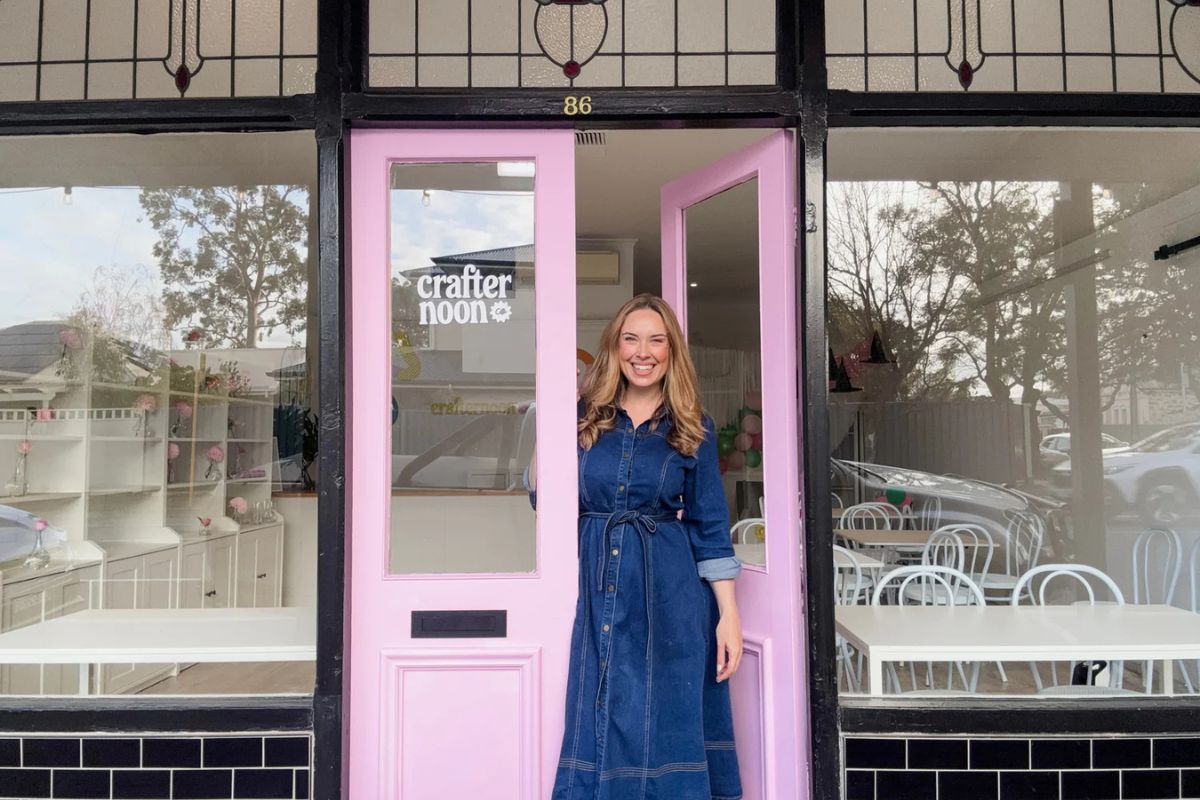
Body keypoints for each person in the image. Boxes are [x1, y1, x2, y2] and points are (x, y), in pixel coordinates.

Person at [526, 294, 744, 800]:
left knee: (662, 721)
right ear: (615, 347)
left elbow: (710, 525)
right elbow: (544, 497)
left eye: (656, 340)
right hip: (597, 587)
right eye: (631, 339)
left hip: (671, 598)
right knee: (601, 709)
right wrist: (553, 416)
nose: (642, 352)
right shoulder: (584, 418)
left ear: (671, 352)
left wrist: (727, 616)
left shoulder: (694, 426)